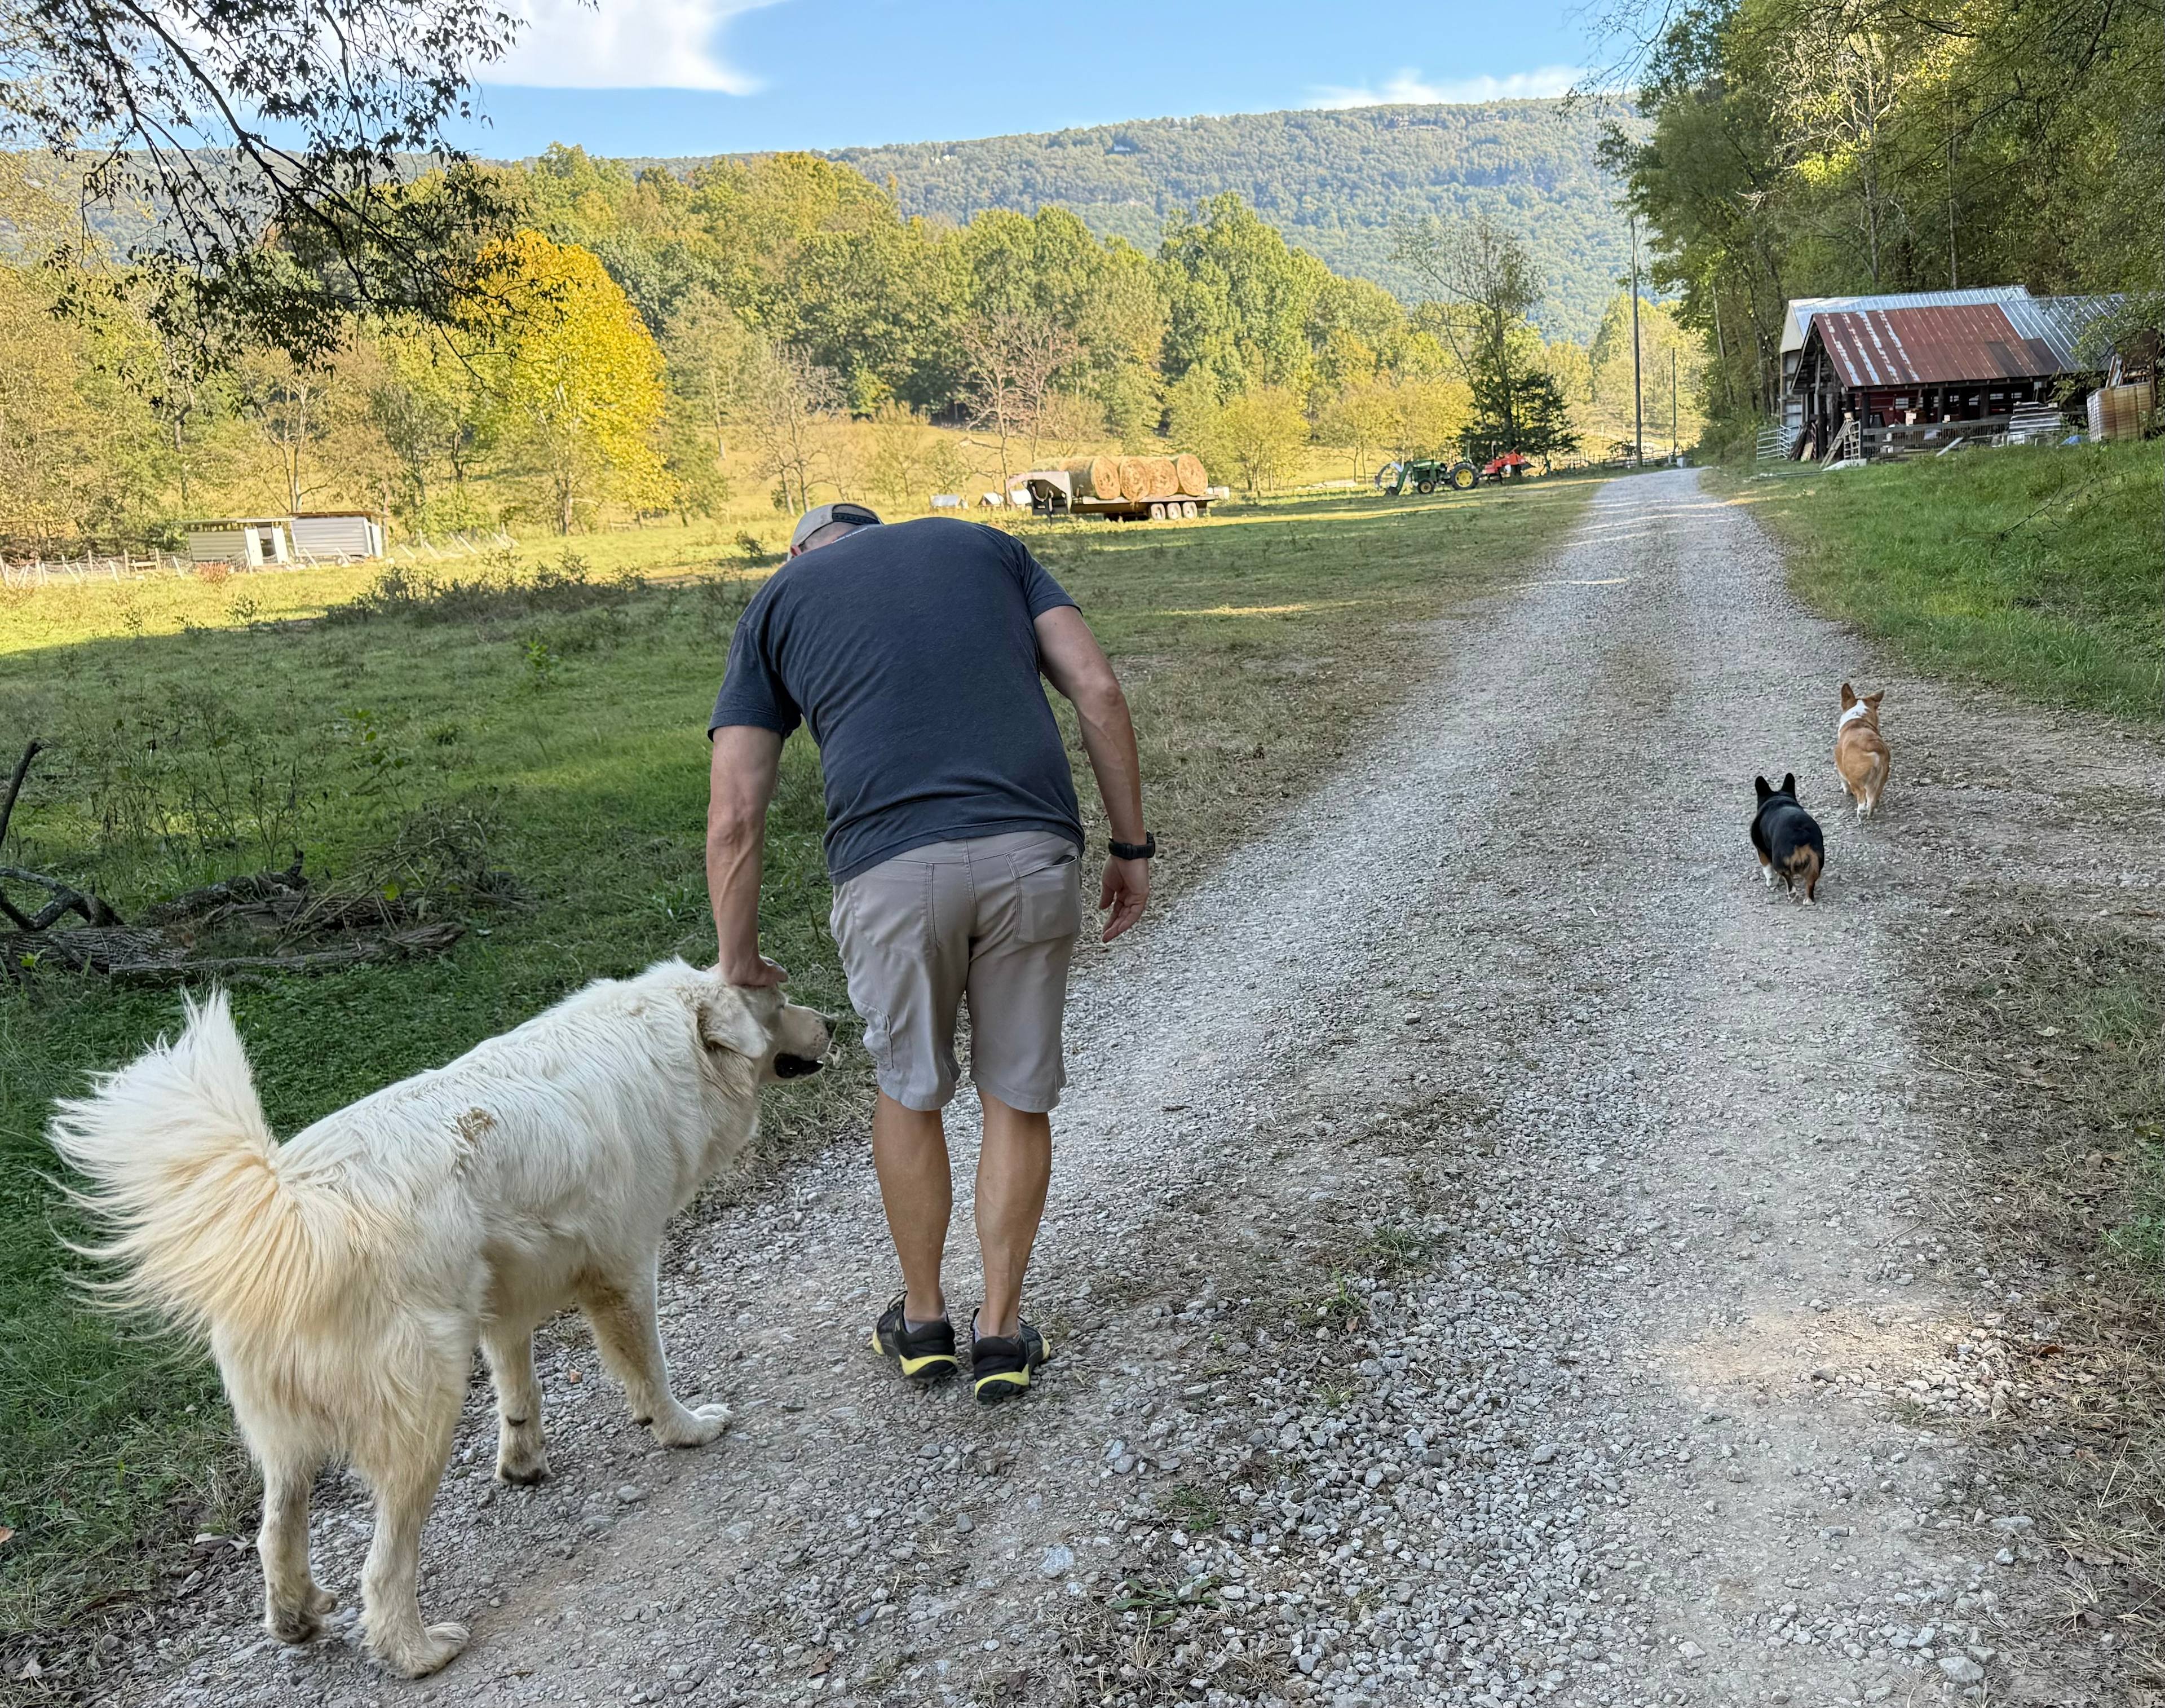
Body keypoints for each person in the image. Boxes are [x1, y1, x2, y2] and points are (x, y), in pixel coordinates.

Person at [705, 501, 1151, 1403]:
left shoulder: (779, 597)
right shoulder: (987, 546)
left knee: (909, 1090)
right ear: (881, 530)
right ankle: (1001, 1334)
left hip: (889, 877)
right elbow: (1098, 689)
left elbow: (738, 806)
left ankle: (921, 1324)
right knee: (1015, 1094)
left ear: (801, 551)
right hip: (1032, 854)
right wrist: (1131, 847)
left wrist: (738, 956)